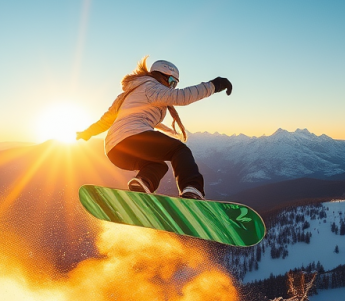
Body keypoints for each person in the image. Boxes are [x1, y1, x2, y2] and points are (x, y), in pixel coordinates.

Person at [76, 56, 232, 199]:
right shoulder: (152, 87)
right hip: (134, 138)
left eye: (175, 84)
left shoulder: (128, 94)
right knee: (180, 150)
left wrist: (87, 133)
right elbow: (182, 96)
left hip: (114, 149)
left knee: (157, 164)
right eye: (172, 82)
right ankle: (192, 189)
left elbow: (106, 121)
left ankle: (142, 184)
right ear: (161, 75)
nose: (171, 87)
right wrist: (214, 85)